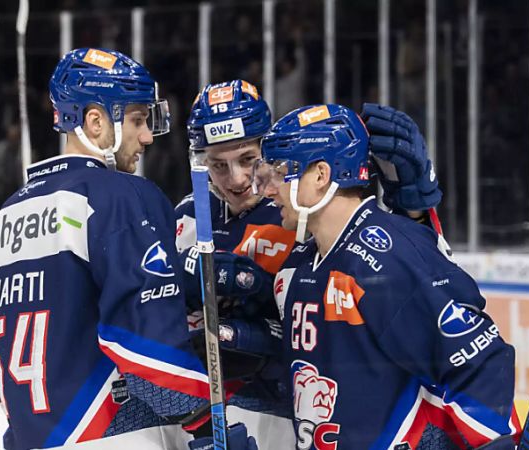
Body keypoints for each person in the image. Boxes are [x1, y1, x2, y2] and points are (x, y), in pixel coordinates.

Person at [0, 48, 256, 450]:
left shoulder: (9, 213)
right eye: (137, 120)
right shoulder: (119, 195)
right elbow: (141, 338)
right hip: (111, 433)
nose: (147, 136)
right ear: (95, 122)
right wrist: (205, 424)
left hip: (31, 436)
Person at [176, 82, 447, 449]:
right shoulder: (187, 218)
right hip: (208, 411)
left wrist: (416, 212)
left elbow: (402, 272)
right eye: (218, 165)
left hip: (296, 411)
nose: (236, 179)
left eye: (247, 159)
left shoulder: (304, 213)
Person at [254, 104, 521, 449]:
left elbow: (475, 360)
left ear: (321, 175)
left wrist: (494, 443)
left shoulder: (384, 258)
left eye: (279, 172)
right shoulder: (297, 267)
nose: (267, 189)